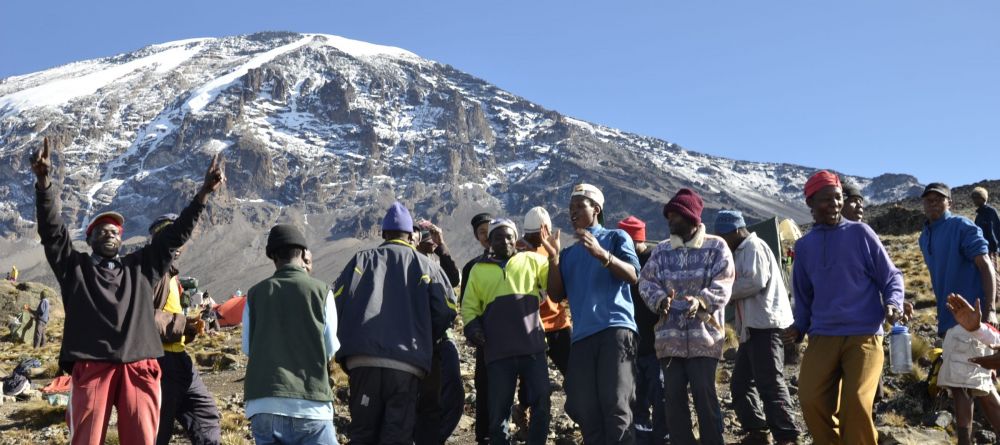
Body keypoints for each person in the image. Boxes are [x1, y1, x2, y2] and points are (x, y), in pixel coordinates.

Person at [32, 137, 224, 445]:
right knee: (86, 439)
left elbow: (175, 235)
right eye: (102, 231)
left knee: (143, 439)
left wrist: (203, 193)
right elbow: (52, 233)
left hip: (139, 365)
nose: (110, 234)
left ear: (122, 240)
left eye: (115, 232)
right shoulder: (76, 268)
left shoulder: (140, 268)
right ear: (90, 239)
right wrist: (44, 183)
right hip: (92, 365)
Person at [781, 170, 904, 445]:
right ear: (811, 204)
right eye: (827, 200)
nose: (835, 204)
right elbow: (803, 296)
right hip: (823, 334)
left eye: (838, 198)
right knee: (810, 398)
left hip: (864, 334)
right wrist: (799, 327)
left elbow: (891, 276)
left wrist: (893, 302)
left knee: (857, 403)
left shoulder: (861, 233)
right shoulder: (804, 247)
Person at [334, 202, 456, 444]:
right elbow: (447, 309)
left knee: (362, 435)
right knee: (397, 436)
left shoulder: (361, 261)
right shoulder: (427, 266)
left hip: (362, 364)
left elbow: (335, 303)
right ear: (411, 235)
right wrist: (424, 334)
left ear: (383, 234)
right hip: (406, 367)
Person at [546, 183, 641, 445]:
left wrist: (602, 254)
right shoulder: (567, 254)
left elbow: (633, 275)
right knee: (588, 410)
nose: (573, 212)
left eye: (580, 206)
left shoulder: (616, 237)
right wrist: (553, 260)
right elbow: (555, 295)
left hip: (616, 330)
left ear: (596, 209)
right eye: (570, 208)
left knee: (616, 405)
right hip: (583, 337)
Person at [638, 189, 734, 445]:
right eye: (668, 216)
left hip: (704, 339)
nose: (670, 221)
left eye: (675, 216)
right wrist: (659, 300)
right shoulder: (661, 251)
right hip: (669, 341)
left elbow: (724, 281)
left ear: (691, 217)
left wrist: (702, 300)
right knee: (673, 401)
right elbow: (645, 281)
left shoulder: (716, 247)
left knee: (705, 397)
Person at [242, 224, 339, 444]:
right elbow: (330, 348)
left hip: (264, 404)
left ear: (273, 257)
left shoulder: (254, 294)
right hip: (311, 405)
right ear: (304, 254)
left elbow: (248, 348)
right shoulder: (322, 292)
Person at [920, 182, 1000, 445]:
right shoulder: (925, 236)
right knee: (979, 386)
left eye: (939, 199)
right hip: (950, 320)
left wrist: (988, 312)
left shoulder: (961, 226)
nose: (933, 203)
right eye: (928, 199)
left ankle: (964, 442)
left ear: (949, 203)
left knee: (963, 386)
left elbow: (986, 264)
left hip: (970, 318)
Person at [462, 218, 552, 445]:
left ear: (516, 238)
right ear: (490, 241)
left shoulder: (532, 261)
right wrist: (473, 328)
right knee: (499, 411)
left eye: (509, 236)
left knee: (542, 401)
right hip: (498, 354)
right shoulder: (478, 270)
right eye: (499, 237)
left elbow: (554, 284)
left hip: (532, 349)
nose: (505, 241)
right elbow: (469, 306)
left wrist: (555, 257)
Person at [713, 210, 798, 445]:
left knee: (770, 383)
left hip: (766, 326)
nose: (722, 240)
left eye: (724, 235)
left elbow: (755, 281)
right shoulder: (740, 250)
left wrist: (723, 293)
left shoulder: (754, 247)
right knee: (740, 384)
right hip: (751, 328)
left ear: (737, 230)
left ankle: (786, 436)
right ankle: (758, 430)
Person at [148, 215, 221, 445]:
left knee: (205, 414)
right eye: (171, 236)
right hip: (157, 362)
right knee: (158, 429)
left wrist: (188, 328)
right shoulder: (150, 272)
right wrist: (182, 323)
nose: (178, 244)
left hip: (179, 359)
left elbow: (169, 319)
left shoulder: (172, 275)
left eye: (180, 238)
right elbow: (140, 318)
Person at [412, 219, 465, 445]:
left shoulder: (435, 264)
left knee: (453, 392)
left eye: (432, 235)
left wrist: (442, 247)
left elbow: (454, 279)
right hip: (416, 341)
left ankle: (435, 438)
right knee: (424, 396)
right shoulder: (410, 263)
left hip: (442, 339)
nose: (431, 240)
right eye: (426, 235)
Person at [618, 216, 667, 445]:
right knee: (637, 395)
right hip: (633, 341)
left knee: (660, 393)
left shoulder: (655, 259)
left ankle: (663, 437)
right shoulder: (623, 263)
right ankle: (643, 437)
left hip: (657, 340)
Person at [460, 212, 495, 445]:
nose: (487, 235)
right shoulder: (471, 267)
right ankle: (484, 436)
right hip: (487, 340)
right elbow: (466, 305)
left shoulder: (516, 260)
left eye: (490, 230)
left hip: (516, 339)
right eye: (482, 232)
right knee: (484, 387)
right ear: (476, 237)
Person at [972, 186, 1000, 297]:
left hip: (991, 249)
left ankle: (997, 298)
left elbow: (997, 229)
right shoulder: (978, 216)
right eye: (973, 197)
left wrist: (997, 247)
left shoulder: (990, 212)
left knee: (993, 272)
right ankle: (989, 297)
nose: (974, 200)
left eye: (976, 197)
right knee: (985, 275)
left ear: (983, 198)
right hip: (981, 250)